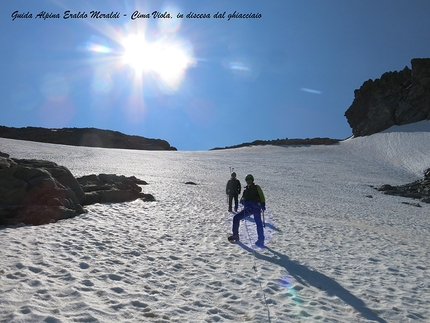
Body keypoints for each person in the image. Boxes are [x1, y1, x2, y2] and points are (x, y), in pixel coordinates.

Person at [228, 174, 266, 247]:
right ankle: (235, 235)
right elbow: (242, 199)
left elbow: (261, 196)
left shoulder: (256, 187)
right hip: (248, 208)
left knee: (258, 223)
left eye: (250, 180)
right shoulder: (246, 190)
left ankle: (261, 239)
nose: (249, 181)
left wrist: (263, 204)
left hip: (256, 207)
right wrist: (243, 201)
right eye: (247, 180)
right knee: (236, 218)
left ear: (252, 180)